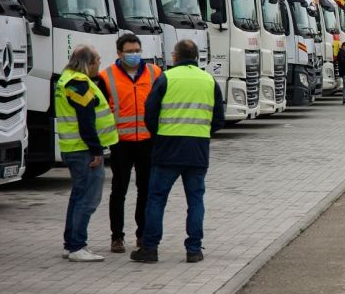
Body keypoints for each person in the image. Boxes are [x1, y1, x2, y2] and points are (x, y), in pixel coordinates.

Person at [131, 40, 223, 263]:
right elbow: (218, 119)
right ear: (196, 56)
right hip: (198, 150)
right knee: (195, 200)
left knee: (156, 199)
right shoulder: (209, 80)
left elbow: (150, 113)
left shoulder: (166, 78)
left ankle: (150, 248)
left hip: (167, 149)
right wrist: (201, 131)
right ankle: (194, 250)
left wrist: (159, 135)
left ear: (176, 57)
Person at [97, 33, 162, 254]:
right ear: (119, 53)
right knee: (119, 190)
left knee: (145, 190)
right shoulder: (106, 76)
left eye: (137, 51)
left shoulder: (155, 73)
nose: (134, 55)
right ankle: (117, 237)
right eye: (130, 51)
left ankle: (142, 235)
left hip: (147, 141)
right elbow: (101, 111)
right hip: (120, 143)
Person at [57, 45, 119, 262]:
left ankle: (70, 244)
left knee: (78, 196)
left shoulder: (66, 78)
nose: (99, 65)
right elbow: (86, 121)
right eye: (98, 61)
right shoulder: (79, 84)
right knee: (88, 199)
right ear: (88, 63)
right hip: (83, 150)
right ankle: (77, 246)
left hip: (73, 148)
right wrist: (96, 150)